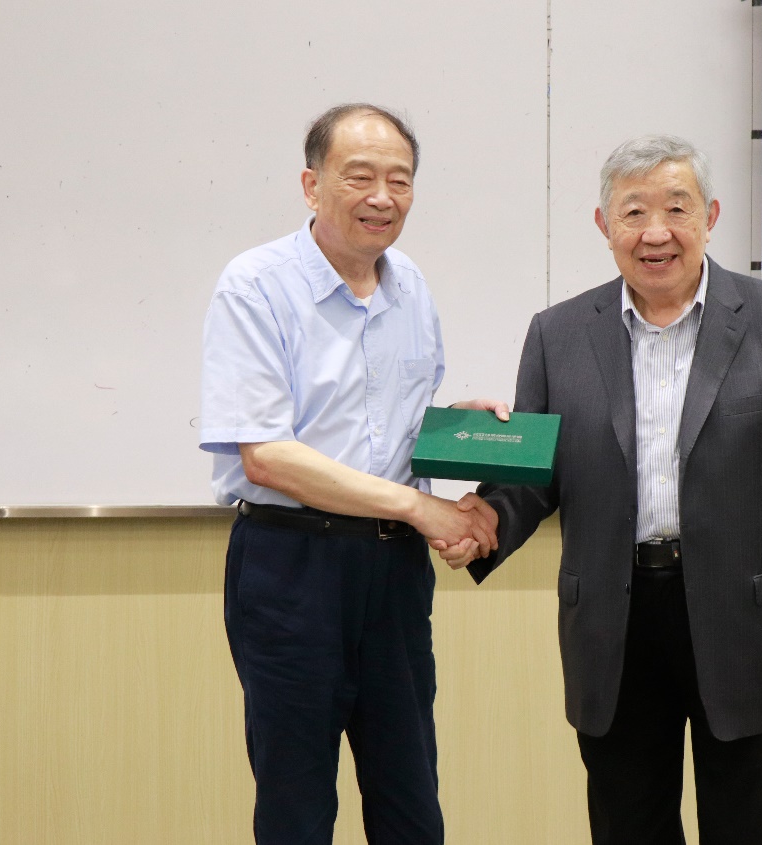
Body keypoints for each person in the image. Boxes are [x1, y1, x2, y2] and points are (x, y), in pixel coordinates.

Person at [440, 134, 762, 844]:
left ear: (710, 217)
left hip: (749, 630)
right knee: (628, 827)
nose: (655, 232)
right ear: (605, 226)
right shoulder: (559, 334)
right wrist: (482, 522)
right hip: (615, 623)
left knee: (753, 829)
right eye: (633, 212)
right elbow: (535, 479)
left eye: (676, 208)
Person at [200, 103, 502, 845]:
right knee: (298, 804)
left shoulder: (411, 287)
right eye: (359, 176)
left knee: (411, 799)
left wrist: (457, 423)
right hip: (290, 566)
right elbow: (266, 454)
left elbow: (386, 424)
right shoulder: (256, 285)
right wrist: (419, 508)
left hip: (393, 572)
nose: (382, 197)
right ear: (312, 185)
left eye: (400, 180)